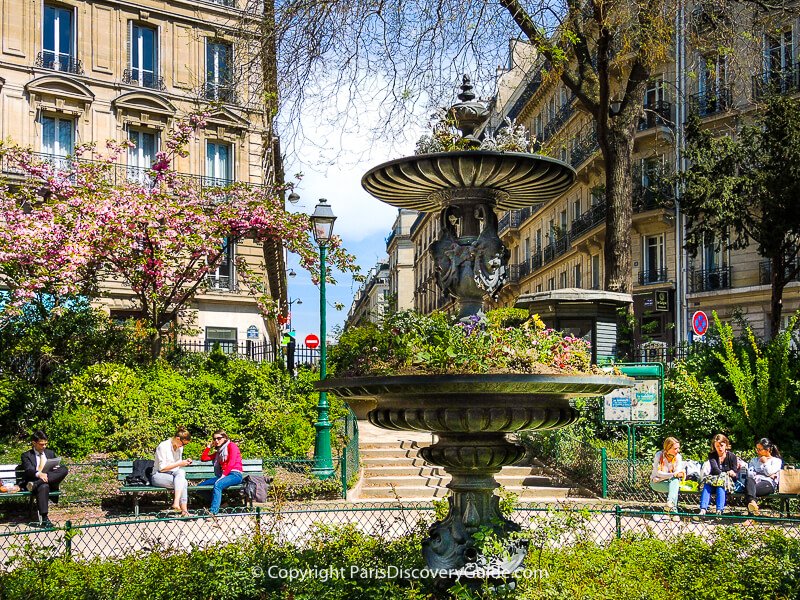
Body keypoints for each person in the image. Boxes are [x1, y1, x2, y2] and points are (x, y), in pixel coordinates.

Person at [20, 430, 69, 528]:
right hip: (37, 481)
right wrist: (39, 474)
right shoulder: (26, 455)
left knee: (64, 469)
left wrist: (56, 468)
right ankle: (45, 519)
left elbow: (57, 469)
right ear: (34, 443)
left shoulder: (50, 453)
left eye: (46, 444)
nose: (44, 446)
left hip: (48, 481)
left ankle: (38, 483)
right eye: (42, 444)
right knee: (44, 486)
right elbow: (29, 470)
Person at [199, 430, 243, 521]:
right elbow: (203, 458)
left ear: (225, 438)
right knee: (200, 488)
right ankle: (222, 503)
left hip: (235, 474)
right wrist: (208, 447)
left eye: (219, 438)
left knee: (218, 485)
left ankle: (213, 513)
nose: (217, 441)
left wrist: (223, 476)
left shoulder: (232, 446)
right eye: (214, 439)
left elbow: (231, 463)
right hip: (223, 475)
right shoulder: (218, 452)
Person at [151, 427, 193, 517]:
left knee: (181, 474)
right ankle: (184, 510)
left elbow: (177, 466)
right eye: (183, 444)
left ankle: (177, 503)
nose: (183, 446)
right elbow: (162, 468)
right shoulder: (163, 446)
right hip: (159, 475)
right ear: (178, 439)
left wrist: (185, 462)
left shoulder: (179, 448)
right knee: (183, 482)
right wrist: (180, 463)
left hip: (173, 475)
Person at [698, 434, 739, 517]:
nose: (720, 448)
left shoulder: (732, 457)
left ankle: (719, 511)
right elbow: (715, 469)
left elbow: (734, 473)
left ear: (726, 445)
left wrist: (730, 473)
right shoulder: (712, 455)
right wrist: (727, 472)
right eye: (717, 446)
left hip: (726, 483)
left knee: (721, 485)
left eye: (721, 445)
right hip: (713, 480)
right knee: (707, 485)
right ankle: (703, 509)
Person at [650, 437, 685, 521]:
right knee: (675, 483)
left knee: (675, 482)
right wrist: (674, 474)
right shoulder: (659, 455)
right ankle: (673, 511)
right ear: (668, 448)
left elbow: (677, 473)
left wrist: (666, 476)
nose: (678, 450)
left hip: (668, 482)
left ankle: (670, 507)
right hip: (656, 483)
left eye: (678, 448)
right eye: (675, 448)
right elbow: (658, 473)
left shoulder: (678, 457)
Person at [745, 437, 782, 516]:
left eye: (760, 449)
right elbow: (750, 473)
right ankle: (753, 504)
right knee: (749, 481)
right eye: (757, 449)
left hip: (768, 484)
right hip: (754, 482)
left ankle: (751, 516)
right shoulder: (754, 460)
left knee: (749, 491)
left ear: (768, 449)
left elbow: (769, 472)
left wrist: (765, 463)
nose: (757, 451)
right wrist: (767, 474)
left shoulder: (776, 461)